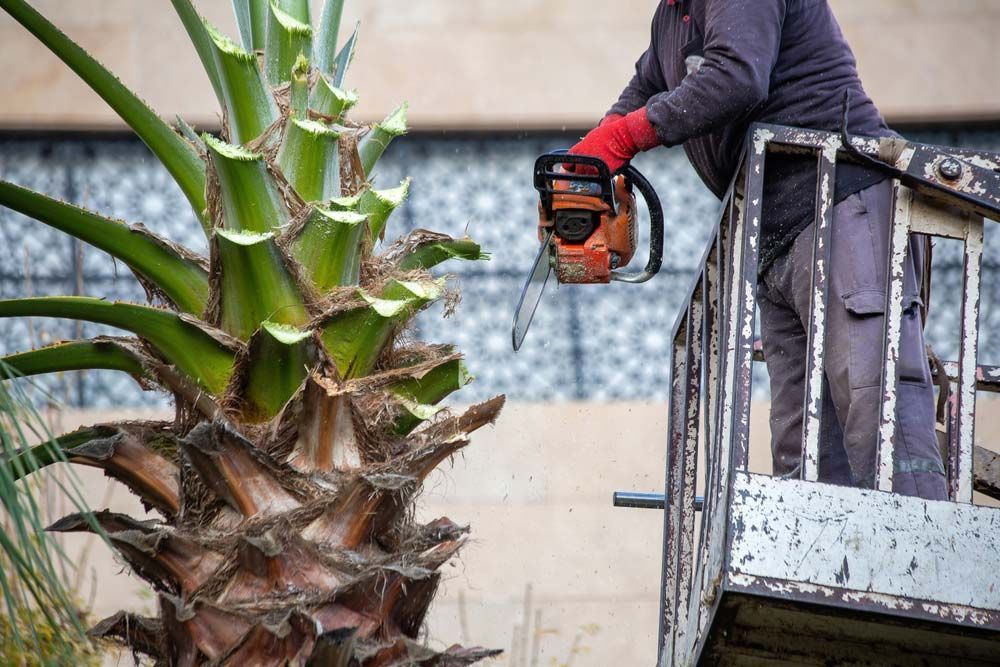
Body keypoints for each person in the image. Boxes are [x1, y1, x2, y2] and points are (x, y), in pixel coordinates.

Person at [568, 0, 947, 499]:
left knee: (876, 405)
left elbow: (738, 74)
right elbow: (641, 95)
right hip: (775, 238)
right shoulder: (670, 19)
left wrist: (624, 136)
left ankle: (921, 552)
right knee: (806, 452)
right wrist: (586, 166)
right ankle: (828, 574)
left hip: (844, 200)